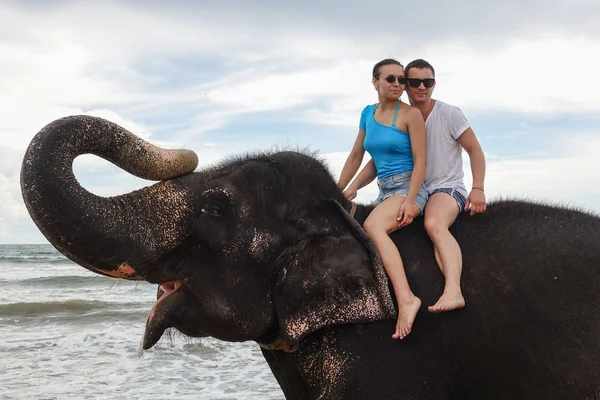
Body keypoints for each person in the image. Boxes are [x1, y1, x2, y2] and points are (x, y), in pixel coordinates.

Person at [351, 59, 487, 314]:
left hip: (446, 188)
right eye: (413, 82)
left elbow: (475, 150)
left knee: (434, 224)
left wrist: (477, 187)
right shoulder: (400, 116)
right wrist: (351, 186)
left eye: (429, 82)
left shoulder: (448, 114)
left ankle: (453, 291)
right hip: (409, 188)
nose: (421, 87)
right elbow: (378, 161)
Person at [338, 58, 428, 339]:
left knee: (373, 228)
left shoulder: (411, 115)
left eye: (402, 80)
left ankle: (406, 299)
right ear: (375, 82)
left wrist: (411, 200)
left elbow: (421, 160)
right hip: (384, 189)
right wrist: (342, 189)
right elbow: (360, 156)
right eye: (391, 79)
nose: (398, 85)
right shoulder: (367, 113)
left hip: (408, 187)